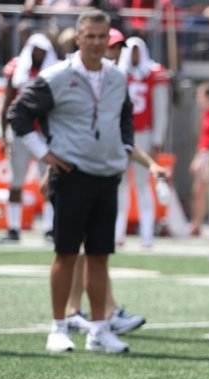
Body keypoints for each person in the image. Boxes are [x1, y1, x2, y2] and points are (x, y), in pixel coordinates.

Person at [8, 9, 133, 354]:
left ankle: (99, 329)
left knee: (99, 256)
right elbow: (18, 113)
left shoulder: (117, 77)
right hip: (72, 174)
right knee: (65, 253)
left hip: (107, 176)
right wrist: (44, 154)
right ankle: (58, 326)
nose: (96, 42)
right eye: (89, 36)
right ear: (77, 39)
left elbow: (125, 117)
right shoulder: (57, 76)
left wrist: (123, 150)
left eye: (101, 36)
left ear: (109, 39)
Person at [62, 27, 162, 337]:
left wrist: (149, 163)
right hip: (76, 173)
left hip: (98, 172)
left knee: (89, 250)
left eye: (115, 45)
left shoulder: (112, 83)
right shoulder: (70, 77)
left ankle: (80, 311)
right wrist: (47, 162)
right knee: (82, 250)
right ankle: (92, 313)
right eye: (108, 44)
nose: (113, 51)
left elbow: (122, 136)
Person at [0, 32, 59, 244]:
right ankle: (13, 228)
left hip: (44, 133)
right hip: (20, 132)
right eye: (36, 50)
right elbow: (7, 103)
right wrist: (2, 133)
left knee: (49, 181)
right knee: (15, 181)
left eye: (43, 51)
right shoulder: (17, 67)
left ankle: (51, 228)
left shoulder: (54, 72)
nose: (39, 54)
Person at [115, 36, 171, 250]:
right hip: (122, 134)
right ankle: (117, 233)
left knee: (142, 185)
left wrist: (157, 139)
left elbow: (160, 108)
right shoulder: (118, 73)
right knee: (120, 185)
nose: (135, 55)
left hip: (143, 135)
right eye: (131, 51)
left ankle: (147, 235)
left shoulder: (153, 74)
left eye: (137, 51)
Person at [189, 82, 209, 237]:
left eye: (201, 96)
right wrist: (197, 157)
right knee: (198, 191)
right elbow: (202, 139)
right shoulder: (205, 114)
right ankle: (196, 224)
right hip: (204, 154)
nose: (199, 99)